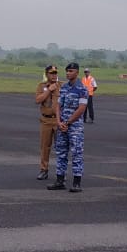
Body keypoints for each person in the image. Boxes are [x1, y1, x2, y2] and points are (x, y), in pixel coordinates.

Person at [48, 62, 89, 193]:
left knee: (76, 153)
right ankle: (60, 180)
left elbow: (81, 108)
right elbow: (59, 106)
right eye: (67, 71)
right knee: (61, 152)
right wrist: (59, 122)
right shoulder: (64, 88)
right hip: (62, 125)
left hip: (75, 126)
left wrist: (68, 122)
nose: (68, 73)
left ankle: (77, 182)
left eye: (71, 71)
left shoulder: (82, 89)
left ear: (77, 72)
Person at [34, 65, 61, 180]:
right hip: (46, 120)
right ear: (47, 74)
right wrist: (49, 90)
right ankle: (44, 169)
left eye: (55, 73)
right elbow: (38, 100)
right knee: (45, 147)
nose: (54, 75)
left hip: (58, 120)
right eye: (51, 73)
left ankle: (61, 172)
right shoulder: (41, 86)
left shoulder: (62, 86)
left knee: (61, 147)